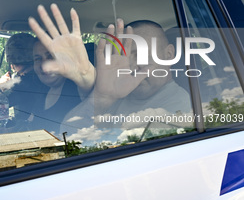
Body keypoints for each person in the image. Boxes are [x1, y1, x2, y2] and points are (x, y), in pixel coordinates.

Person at [61, 18, 192, 145]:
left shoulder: (180, 108)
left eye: (142, 54)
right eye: (126, 56)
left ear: (168, 55)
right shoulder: (119, 94)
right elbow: (67, 137)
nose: (132, 66)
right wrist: (102, 98)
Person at [27, 4, 96, 136]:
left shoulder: (76, 87)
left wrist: (85, 72)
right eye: (37, 58)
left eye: (50, 56)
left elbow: (89, 83)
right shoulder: (41, 90)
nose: (44, 64)